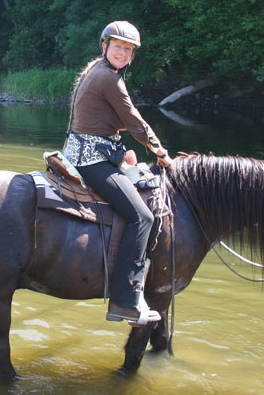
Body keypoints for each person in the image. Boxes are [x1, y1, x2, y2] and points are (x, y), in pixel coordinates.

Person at [62, 21, 173, 324]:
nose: (123, 53)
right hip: (92, 160)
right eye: (118, 46)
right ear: (105, 46)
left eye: (129, 49)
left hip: (89, 152)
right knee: (143, 216)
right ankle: (125, 300)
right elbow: (134, 120)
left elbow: (115, 119)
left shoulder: (95, 70)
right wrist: (160, 152)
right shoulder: (109, 79)